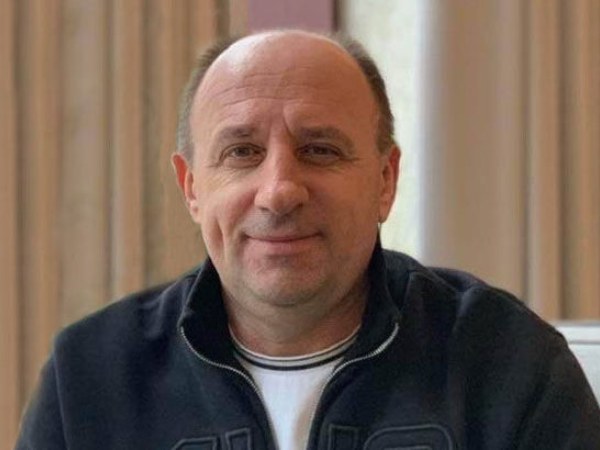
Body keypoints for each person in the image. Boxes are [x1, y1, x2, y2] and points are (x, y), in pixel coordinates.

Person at [16, 30, 600, 450]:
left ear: (385, 180)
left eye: (320, 150)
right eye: (242, 152)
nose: (279, 192)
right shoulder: (89, 378)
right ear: (192, 188)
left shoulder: (507, 365)